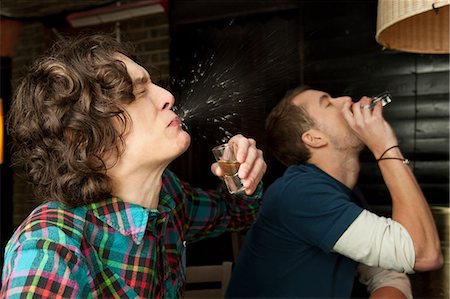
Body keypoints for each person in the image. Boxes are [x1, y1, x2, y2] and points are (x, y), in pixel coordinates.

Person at [0, 34, 267, 298]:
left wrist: (241, 173)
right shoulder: (50, 246)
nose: (168, 96)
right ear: (82, 137)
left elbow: (239, 212)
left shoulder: (170, 198)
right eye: (137, 92)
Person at [226, 86, 443, 298]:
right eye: (328, 103)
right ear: (314, 138)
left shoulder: (341, 192)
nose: (346, 99)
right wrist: (384, 145)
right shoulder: (301, 193)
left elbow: (388, 271)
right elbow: (424, 254)